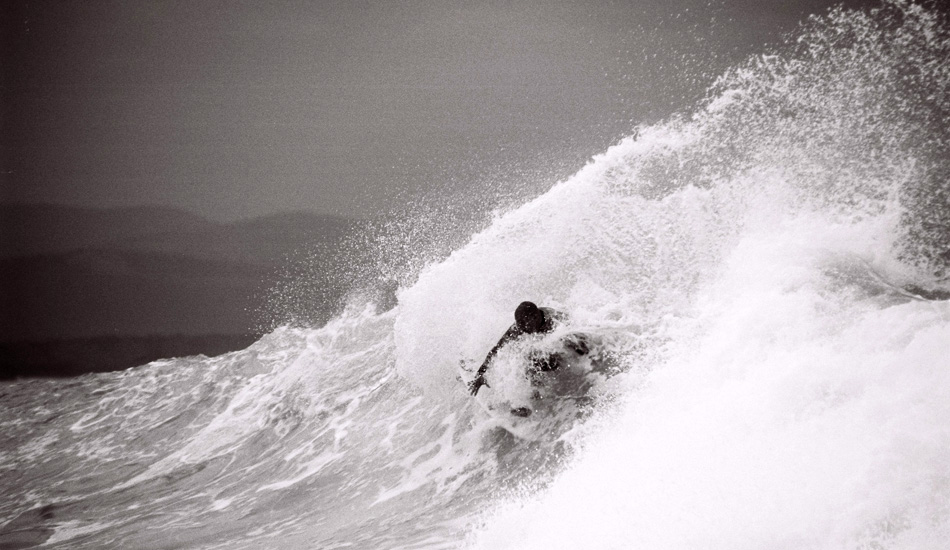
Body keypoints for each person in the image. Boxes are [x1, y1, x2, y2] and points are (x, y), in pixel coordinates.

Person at [468, 301, 575, 396]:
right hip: (545, 343)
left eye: (524, 324)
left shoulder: (554, 320)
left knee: (550, 359)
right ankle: (536, 392)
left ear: (535, 317)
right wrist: (480, 373)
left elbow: (575, 330)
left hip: (565, 343)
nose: (521, 328)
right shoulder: (519, 327)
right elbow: (496, 350)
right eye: (519, 324)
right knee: (523, 362)